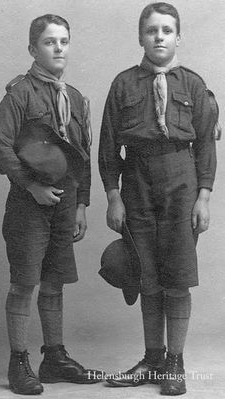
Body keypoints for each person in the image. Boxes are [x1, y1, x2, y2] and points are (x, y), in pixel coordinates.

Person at [98, 2, 216, 396]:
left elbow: (205, 149)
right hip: (137, 182)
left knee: (177, 275)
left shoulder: (194, 85)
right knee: (147, 274)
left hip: (181, 181)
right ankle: (152, 358)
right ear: (140, 38)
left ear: (178, 36)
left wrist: (204, 196)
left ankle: (175, 365)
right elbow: (108, 147)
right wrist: (114, 197)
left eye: (167, 30)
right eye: (152, 30)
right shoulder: (123, 84)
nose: (160, 36)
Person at [0, 14, 101, 395]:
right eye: (50, 42)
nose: (58, 48)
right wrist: (31, 185)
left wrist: (82, 205)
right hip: (28, 205)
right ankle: (19, 361)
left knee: (54, 283)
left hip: (65, 205)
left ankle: (53, 358)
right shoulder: (19, 94)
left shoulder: (76, 99)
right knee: (24, 283)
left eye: (64, 41)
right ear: (33, 49)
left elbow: (80, 155)